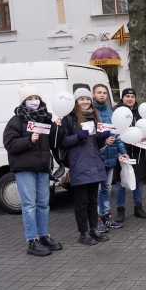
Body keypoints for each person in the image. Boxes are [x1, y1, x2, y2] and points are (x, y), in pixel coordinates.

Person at [3, 83, 64, 256]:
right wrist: (29, 140)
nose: (34, 101)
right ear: (23, 101)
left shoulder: (45, 119)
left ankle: (44, 236)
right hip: (24, 169)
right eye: (30, 98)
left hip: (42, 168)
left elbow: (54, 142)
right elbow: (9, 143)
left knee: (43, 204)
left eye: (36, 98)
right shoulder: (16, 120)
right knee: (29, 205)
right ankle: (32, 241)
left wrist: (57, 127)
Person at [62, 88, 110, 245]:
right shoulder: (69, 118)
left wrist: (102, 138)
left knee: (92, 201)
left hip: (94, 163)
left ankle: (94, 229)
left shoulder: (93, 117)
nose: (85, 101)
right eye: (81, 99)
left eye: (87, 99)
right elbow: (63, 142)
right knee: (81, 203)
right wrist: (77, 136)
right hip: (79, 165)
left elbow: (95, 142)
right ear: (76, 101)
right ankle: (83, 233)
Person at [92, 84, 126, 232]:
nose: (102, 95)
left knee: (106, 188)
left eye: (105, 93)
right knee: (97, 190)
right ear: (93, 94)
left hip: (111, 156)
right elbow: (90, 136)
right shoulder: (91, 113)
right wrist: (102, 141)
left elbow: (117, 135)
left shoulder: (111, 112)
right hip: (96, 157)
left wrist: (122, 151)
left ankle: (107, 216)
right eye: (99, 92)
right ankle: (97, 219)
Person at [113, 88, 146, 220]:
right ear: (122, 98)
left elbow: (145, 129)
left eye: (132, 96)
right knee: (120, 182)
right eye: (127, 96)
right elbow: (114, 131)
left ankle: (138, 208)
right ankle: (120, 210)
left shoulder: (141, 112)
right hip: (121, 151)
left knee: (139, 181)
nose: (130, 99)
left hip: (138, 151)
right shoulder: (115, 111)